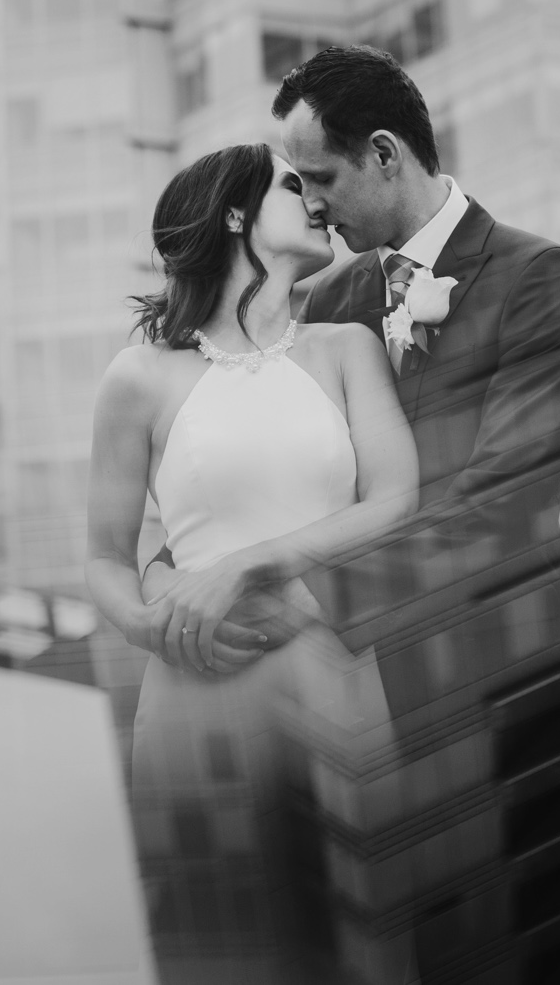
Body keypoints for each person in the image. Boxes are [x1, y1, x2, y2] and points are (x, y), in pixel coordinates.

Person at [271, 45, 560, 979]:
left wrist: (310, 597)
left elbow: (502, 509)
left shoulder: (542, 278)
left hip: (518, 717)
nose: (310, 208)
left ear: (386, 153)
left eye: (321, 180)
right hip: (365, 741)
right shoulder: (326, 305)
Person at [87, 142, 421, 984]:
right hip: (197, 686)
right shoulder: (139, 376)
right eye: (288, 183)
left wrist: (247, 569)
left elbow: (393, 501)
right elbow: (102, 558)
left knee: (364, 938)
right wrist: (154, 624)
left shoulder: (347, 348)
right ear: (236, 213)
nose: (313, 195)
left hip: (332, 671)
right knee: (218, 945)